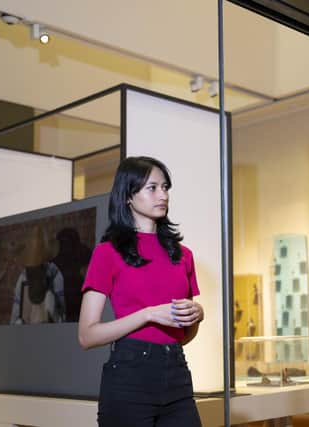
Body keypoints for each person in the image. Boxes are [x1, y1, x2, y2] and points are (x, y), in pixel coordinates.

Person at [78, 156, 204, 427]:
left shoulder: (184, 255)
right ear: (128, 196)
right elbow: (87, 335)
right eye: (153, 187)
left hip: (177, 374)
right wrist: (147, 314)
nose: (163, 194)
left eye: (166, 187)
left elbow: (183, 335)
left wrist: (197, 315)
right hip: (129, 379)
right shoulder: (107, 253)